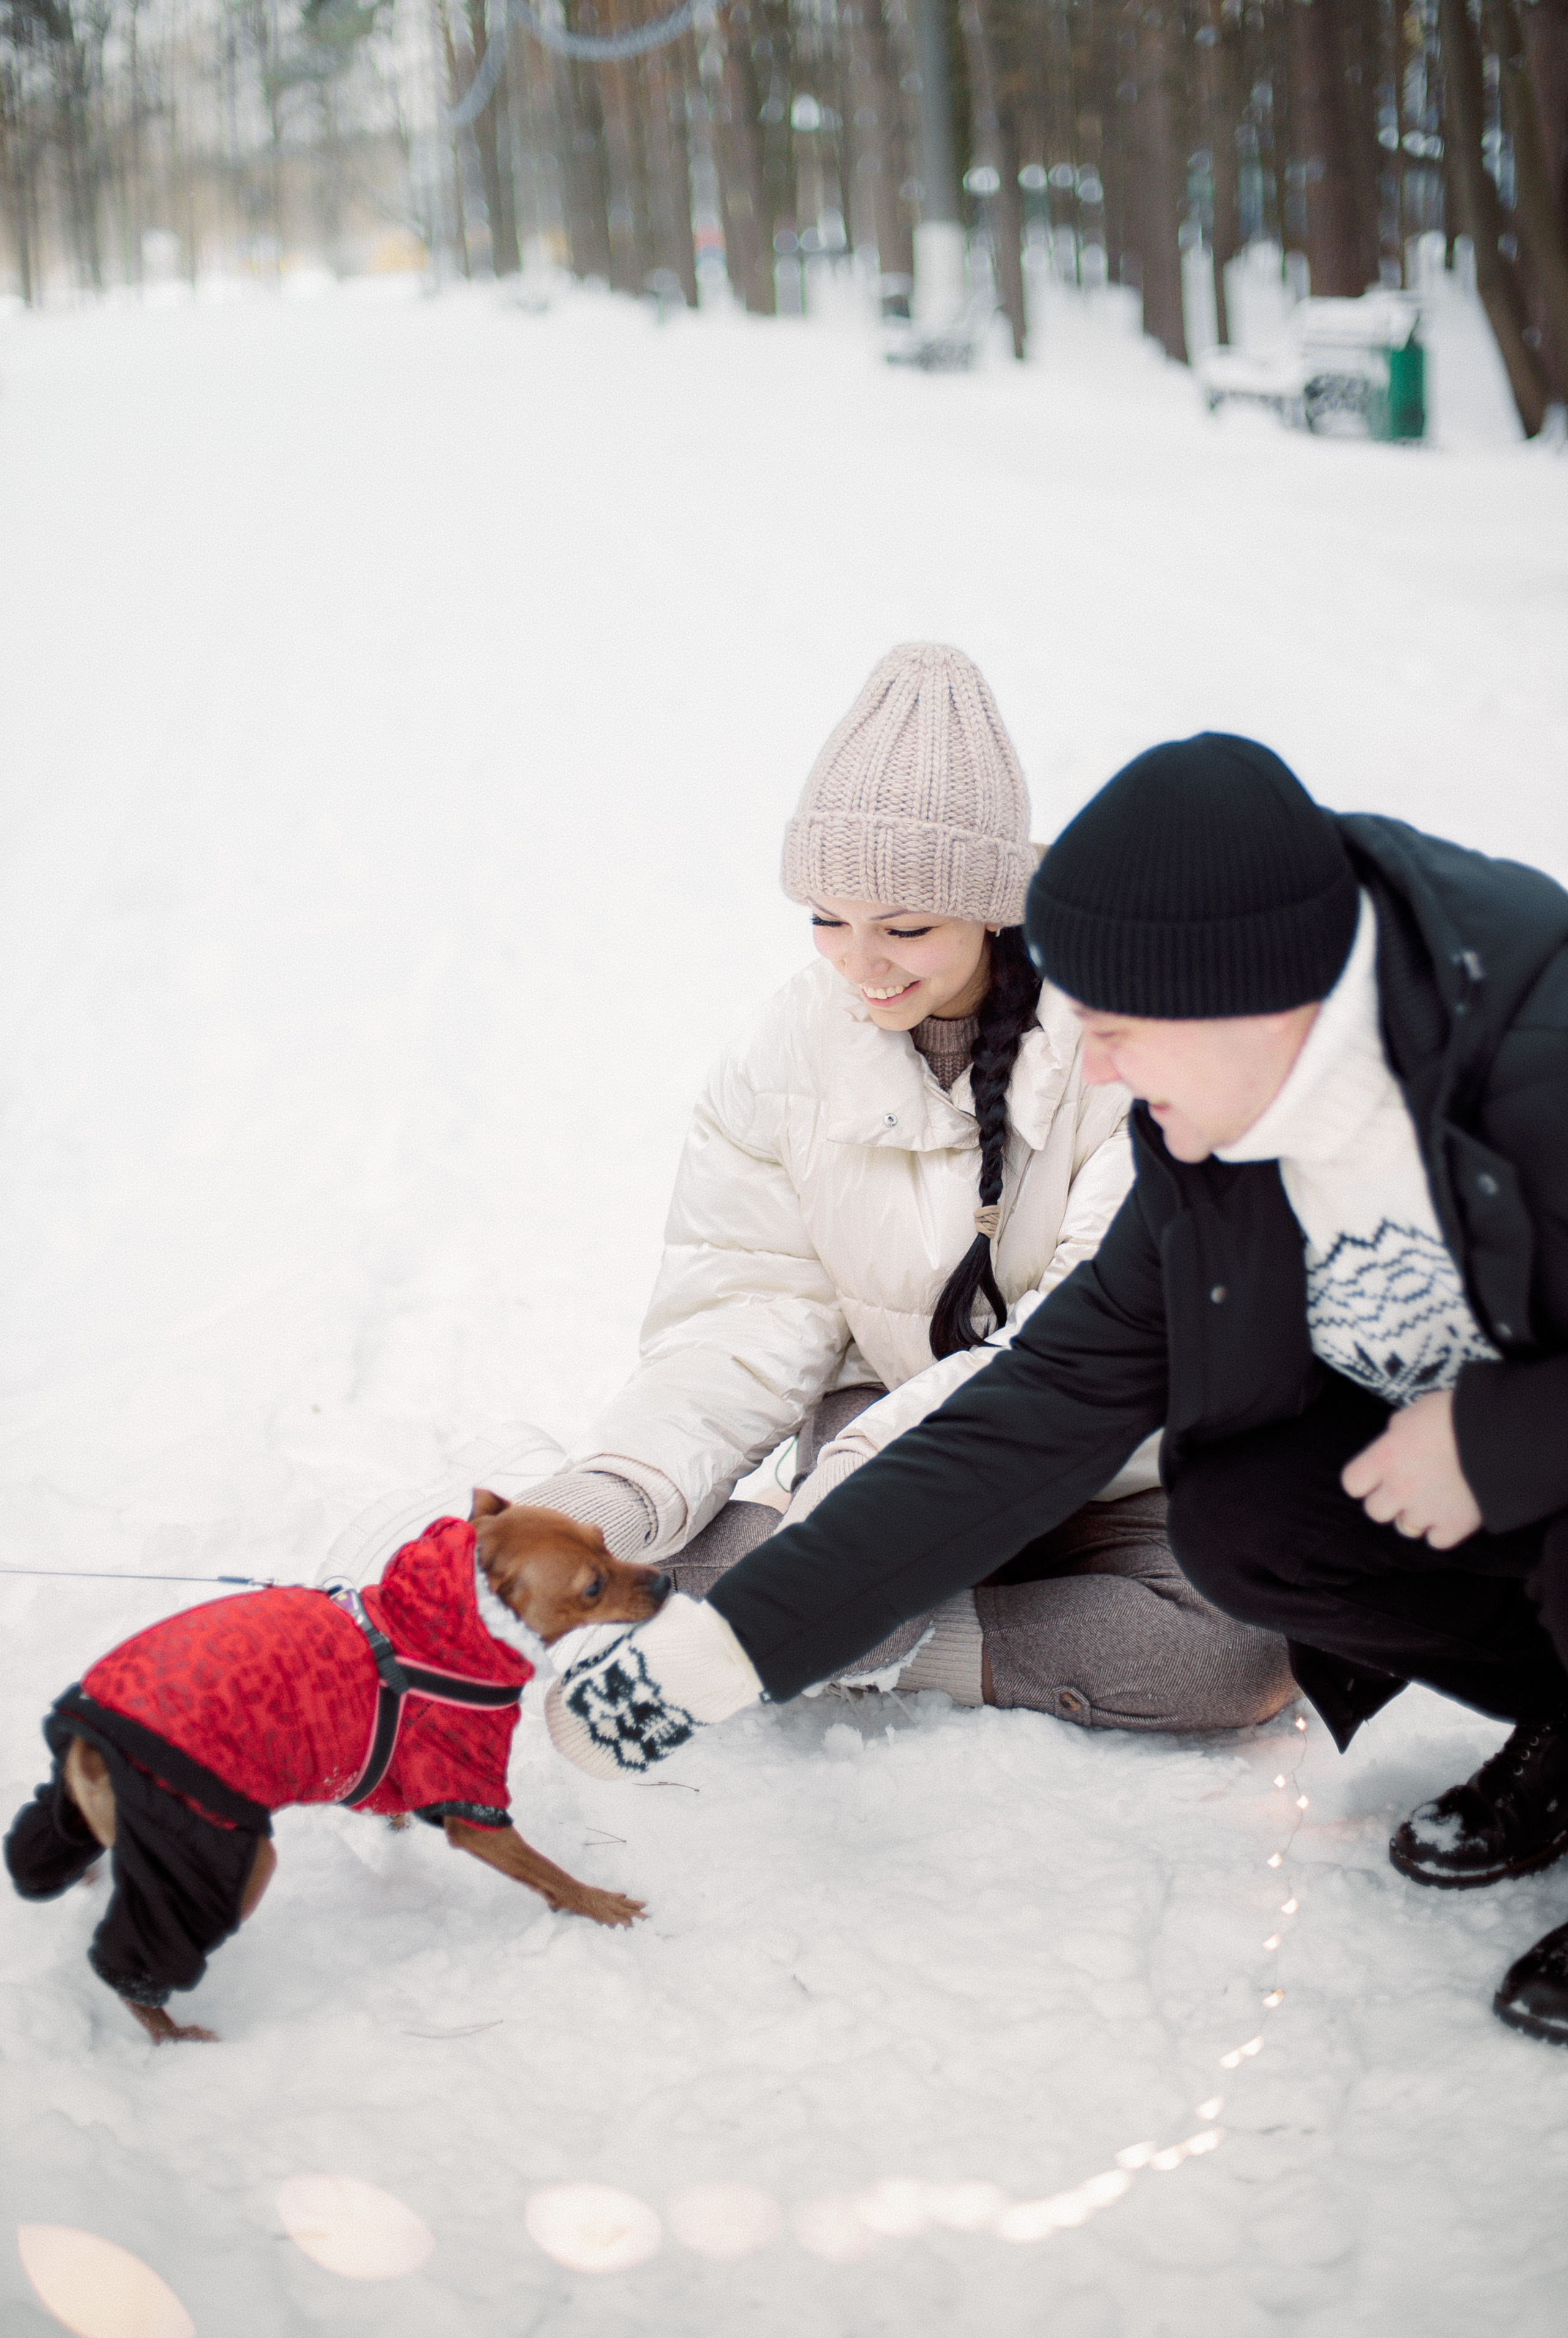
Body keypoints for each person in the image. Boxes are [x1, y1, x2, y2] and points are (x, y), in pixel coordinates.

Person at [546, 732, 1568, 2049]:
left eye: (1118, 1031)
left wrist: (1500, 1437)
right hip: (1476, 1459)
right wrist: (727, 1650)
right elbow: (1037, 1408)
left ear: (1254, 1006)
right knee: (1245, 1516)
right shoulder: (1207, 1129)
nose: (1092, 1072)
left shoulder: (1537, 1054)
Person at [522, 645, 1290, 1733]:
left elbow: (1096, 1338)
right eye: (828, 919)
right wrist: (614, 1493)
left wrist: (874, 1551)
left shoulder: (1124, 1042)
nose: (860, 962)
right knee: (848, 1588)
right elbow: (746, 1311)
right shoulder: (787, 1048)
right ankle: (638, 1571)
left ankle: (868, 1626)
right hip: (876, 1422)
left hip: (1108, 1458)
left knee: (1239, 1657)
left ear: (988, 906)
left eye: (906, 927)